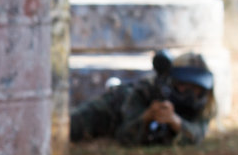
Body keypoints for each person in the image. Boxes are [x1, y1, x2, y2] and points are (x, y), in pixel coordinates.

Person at [70, 51, 217, 146]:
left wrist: (175, 122)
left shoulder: (203, 104)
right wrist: (146, 118)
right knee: (66, 127)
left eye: (196, 88)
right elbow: (124, 136)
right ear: (172, 82)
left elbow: (198, 135)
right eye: (184, 86)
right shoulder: (146, 91)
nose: (190, 93)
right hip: (111, 109)